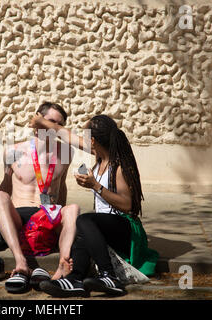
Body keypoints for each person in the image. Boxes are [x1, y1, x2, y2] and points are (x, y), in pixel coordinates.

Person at [31, 114, 159, 298]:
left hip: (126, 228)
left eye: (85, 136)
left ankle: (109, 276)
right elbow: (64, 133)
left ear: (93, 140)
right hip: (106, 226)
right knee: (82, 231)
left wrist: (95, 186)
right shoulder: (99, 156)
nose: (82, 139)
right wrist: (41, 122)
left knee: (84, 219)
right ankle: (75, 279)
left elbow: (127, 205)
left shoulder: (119, 165)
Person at [0, 102, 80, 293]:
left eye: (58, 125)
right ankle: (20, 261)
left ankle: (63, 263)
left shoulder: (66, 152)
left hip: (47, 216)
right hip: (20, 215)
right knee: (0, 195)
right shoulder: (12, 151)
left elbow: (62, 187)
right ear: (37, 120)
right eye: (50, 122)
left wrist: (63, 221)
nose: (53, 128)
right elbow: (5, 186)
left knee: (73, 209)